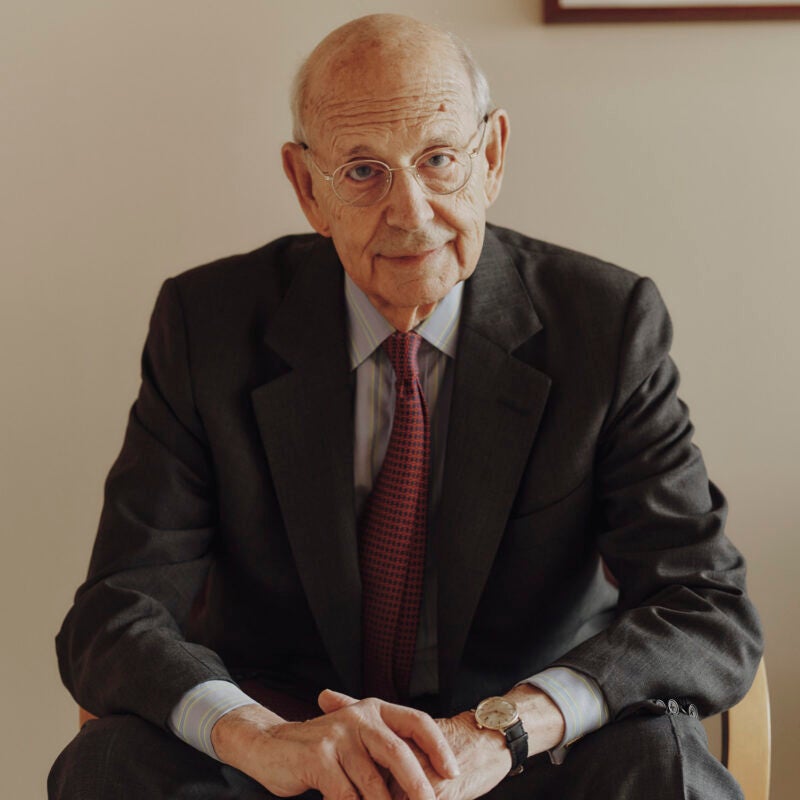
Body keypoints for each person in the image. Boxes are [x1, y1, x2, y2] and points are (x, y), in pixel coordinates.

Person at [49, 13, 762, 800]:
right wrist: (260, 739)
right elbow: (117, 612)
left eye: (439, 159)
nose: (411, 211)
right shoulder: (206, 325)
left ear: (490, 158)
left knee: (662, 765)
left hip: (520, 760)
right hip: (287, 760)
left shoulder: (606, 325)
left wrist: (512, 725)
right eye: (362, 170)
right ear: (305, 187)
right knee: (110, 764)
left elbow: (706, 610)